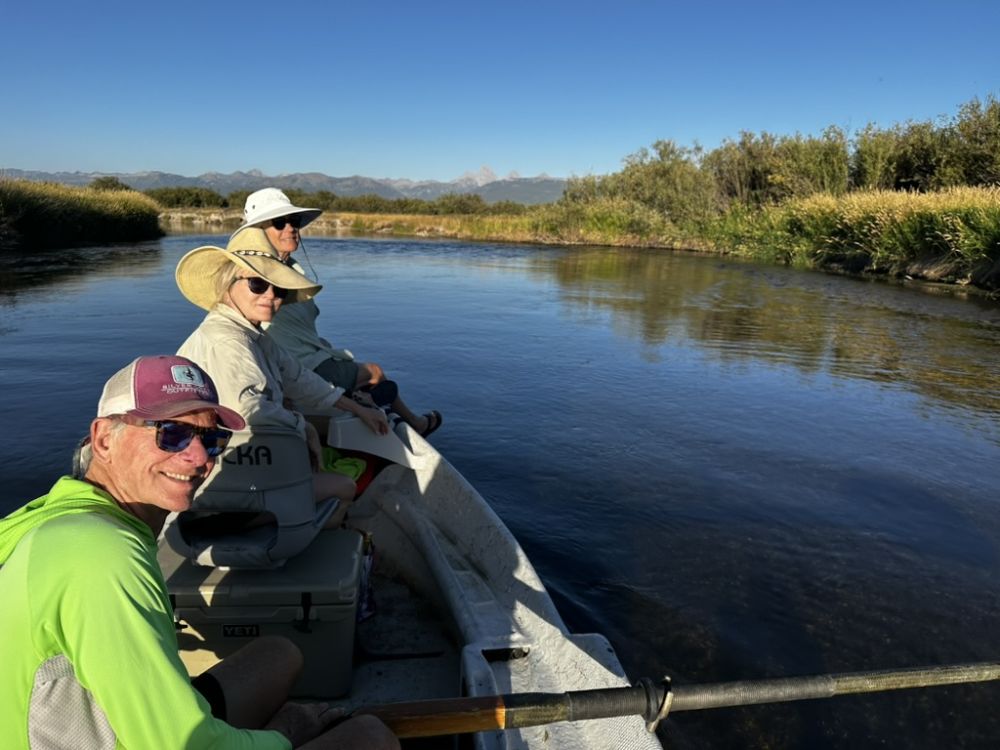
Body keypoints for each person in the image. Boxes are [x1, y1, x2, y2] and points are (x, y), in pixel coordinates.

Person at [0, 355, 398, 749]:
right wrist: (285, 735)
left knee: (279, 654)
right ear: (104, 438)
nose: (200, 457)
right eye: (171, 433)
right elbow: (180, 746)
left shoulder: (60, 519)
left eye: (211, 438)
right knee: (371, 738)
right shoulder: (103, 556)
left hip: (105, 729)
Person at [175, 228, 390, 519]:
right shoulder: (227, 342)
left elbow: (299, 378)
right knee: (344, 488)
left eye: (279, 290)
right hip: (226, 477)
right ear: (228, 285)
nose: (271, 296)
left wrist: (356, 409)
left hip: (242, 463)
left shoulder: (252, 335)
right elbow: (251, 413)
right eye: (257, 284)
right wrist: (304, 426)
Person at [239, 188, 442, 437]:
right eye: (280, 223)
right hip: (300, 367)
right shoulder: (256, 278)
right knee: (375, 372)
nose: (291, 228)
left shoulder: (289, 270)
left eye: (294, 221)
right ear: (257, 233)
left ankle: (360, 400)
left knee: (355, 374)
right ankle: (413, 422)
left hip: (303, 362)